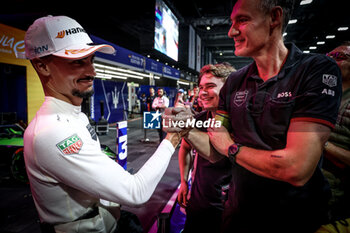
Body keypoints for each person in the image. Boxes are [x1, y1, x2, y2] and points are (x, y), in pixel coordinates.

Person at [165, 0, 343, 232]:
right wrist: (186, 125)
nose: (231, 31)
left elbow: (296, 168)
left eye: (242, 20)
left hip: (295, 220)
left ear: (274, 18)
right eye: (232, 22)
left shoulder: (316, 69)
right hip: (238, 216)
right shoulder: (236, 81)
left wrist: (232, 148)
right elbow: (215, 151)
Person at [23, 15, 183, 233]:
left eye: (91, 60)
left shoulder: (73, 115)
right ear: (42, 66)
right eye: (77, 61)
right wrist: (172, 138)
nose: (91, 72)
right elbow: (136, 192)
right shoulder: (52, 132)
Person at [177, 63, 235, 233]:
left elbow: (215, 155)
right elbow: (185, 148)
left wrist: (184, 127)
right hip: (199, 203)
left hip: (230, 208)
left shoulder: (240, 121)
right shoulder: (199, 119)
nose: (202, 92)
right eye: (201, 87)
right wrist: (183, 181)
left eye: (210, 86)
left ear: (228, 89)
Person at [317, 41, 350, 232]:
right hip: (307, 188)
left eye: (340, 57)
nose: (331, 61)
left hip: (335, 195)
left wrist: (321, 144)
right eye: (329, 56)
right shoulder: (322, 95)